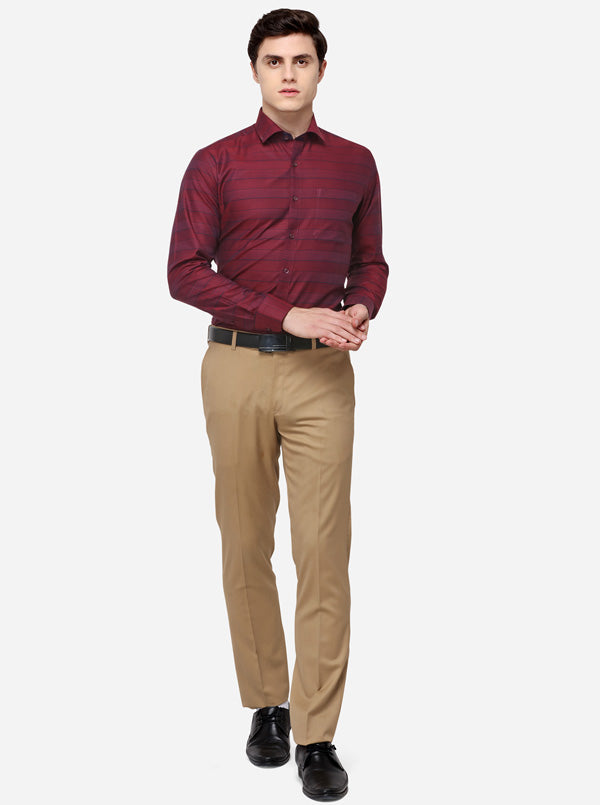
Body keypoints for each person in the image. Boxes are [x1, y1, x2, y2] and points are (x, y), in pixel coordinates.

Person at [167, 8, 388, 801]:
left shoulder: (356, 163)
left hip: (324, 375)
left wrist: (360, 306)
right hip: (234, 367)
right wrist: (284, 313)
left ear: (322, 70)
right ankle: (267, 701)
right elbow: (184, 271)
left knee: (324, 549)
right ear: (255, 70)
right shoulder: (215, 163)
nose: (289, 73)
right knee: (244, 541)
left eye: (301, 60)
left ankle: (316, 733)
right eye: (274, 60)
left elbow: (372, 261)